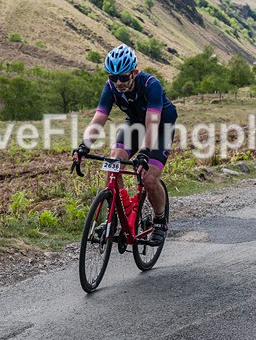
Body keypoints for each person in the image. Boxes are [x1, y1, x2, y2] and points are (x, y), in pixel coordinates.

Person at [73, 44, 178, 246]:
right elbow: (99, 118)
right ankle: (115, 217)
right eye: (113, 77)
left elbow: (152, 122)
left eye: (123, 77)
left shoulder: (151, 85)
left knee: (149, 178)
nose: (118, 82)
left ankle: (159, 220)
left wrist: (145, 152)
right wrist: (84, 145)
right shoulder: (110, 87)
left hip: (160, 126)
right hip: (135, 123)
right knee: (113, 162)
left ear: (134, 73)